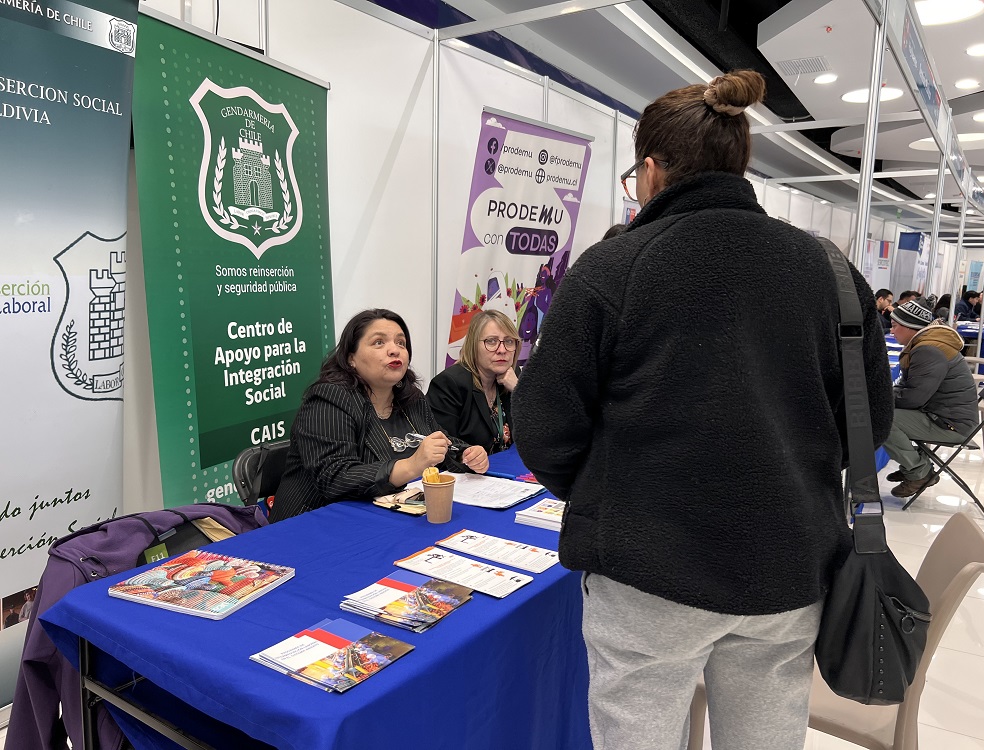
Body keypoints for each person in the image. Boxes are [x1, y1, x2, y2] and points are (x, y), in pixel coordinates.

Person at [512, 70, 893, 750]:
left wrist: (615, 492)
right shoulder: (832, 274)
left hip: (647, 575)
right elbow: (869, 425)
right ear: (737, 162)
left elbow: (543, 428)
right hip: (789, 569)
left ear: (652, 171)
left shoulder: (612, 269)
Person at [269, 309, 489, 522]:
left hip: (388, 517)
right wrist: (411, 465)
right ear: (350, 358)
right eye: (379, 342)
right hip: (314, 525)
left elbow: (437, 442)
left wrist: (464, 454)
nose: (394, 350)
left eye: (401, 343)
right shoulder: (328, 399)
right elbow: (336, 478)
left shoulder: (412, 398)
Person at [882, 299, 980, 496]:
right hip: (944, 415)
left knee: (881, 418)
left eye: (894, 326)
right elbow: (908, 386)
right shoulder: (926, 344)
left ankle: (919, 472)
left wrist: (881, 400)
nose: (891, 332)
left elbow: (913, 398)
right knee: (883, 411)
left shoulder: (928, 350)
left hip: (950, 424)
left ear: (911, 327)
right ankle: (915, 466)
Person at [426, 310, 521, 455]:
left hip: (510, 472)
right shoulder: (449, 384)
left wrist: (519, 391)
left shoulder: (512, 379)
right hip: (468, 474)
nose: (502, 350)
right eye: (491, 341)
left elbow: (542, 431)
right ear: (473, 346)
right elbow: (444, 445)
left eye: (508, 341)